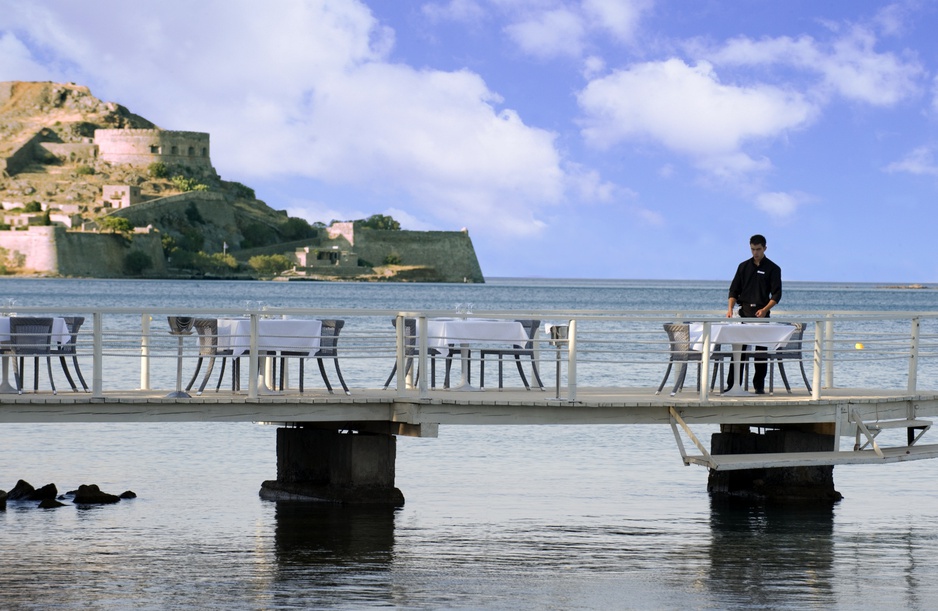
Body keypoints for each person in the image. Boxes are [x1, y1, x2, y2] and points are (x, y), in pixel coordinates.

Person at [725, 234, 782, 394]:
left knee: (760, 353)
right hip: (743, 314)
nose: (755, 253)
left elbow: (777, 295)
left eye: (758, 249)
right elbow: (733, 290)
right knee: (738, 351)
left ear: (765, 248)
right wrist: (730, 309)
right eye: (752, 249)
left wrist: (765, 309)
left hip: (762, 315)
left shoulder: (773, 268)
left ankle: (759, 386)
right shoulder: (743, 267)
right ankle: (733, 385)